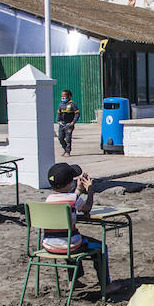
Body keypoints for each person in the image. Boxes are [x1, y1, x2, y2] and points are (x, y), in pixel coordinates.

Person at [43, 162, 107, 290]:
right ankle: (106, 285)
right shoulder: (73, 199)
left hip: (49, 244)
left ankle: (74, 280)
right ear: (69, 184)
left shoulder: (49, 200)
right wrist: (90, 191)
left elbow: (69, 198)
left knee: (69, 241)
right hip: (69, 245)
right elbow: (86, 208)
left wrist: (78, 190)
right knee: (101, 247)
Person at [55, 90, 80, 156]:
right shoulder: (61, 105)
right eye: (62, 96)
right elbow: (59, 113)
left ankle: (68, 151)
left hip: (69, 124)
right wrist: (58, 120)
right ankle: (65, 149)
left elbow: (77, 114)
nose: (63, 97)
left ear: (69, 96)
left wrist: (73, 122)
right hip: (62, 124)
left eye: (64, 96)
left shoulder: (72, 105)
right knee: (60, 138)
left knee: (68, 138)